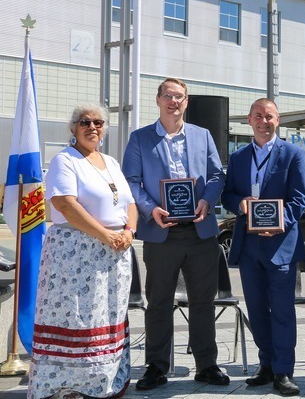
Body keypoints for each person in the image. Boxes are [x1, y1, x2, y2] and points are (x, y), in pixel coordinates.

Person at [122, 78, 228, 390]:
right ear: (158, 100)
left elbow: (216, 174)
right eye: (168, 95)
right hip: (161, 232)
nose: (174, 101)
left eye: (179, 96)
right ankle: (156, 367)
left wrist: (207, 200)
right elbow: (131, 181)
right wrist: (149, 208)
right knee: (158, 302)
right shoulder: (140, 138)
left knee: (203, 302)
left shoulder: (202, 135)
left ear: (186, 102)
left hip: (200, 232)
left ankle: (206, 365)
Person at [29, 104, 137, 399]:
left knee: (104, 317)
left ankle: (101, 381)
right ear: (73, 128)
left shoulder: (111, 161)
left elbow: (129, 203)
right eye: (84, 122)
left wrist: (128, 232)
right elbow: (64, 204)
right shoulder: (65, 160)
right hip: (76, 250)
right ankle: (68, 386)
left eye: (98, 122)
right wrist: (104, 234)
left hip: (113, 253)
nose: (92, 127)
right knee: (77, 317)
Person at [221, 98, 305, 396]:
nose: (263, 121)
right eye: (258, 116)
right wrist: (241, 204)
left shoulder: (293, 154)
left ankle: (284, 371)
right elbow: (228, 195)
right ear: (249, 120)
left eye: (269, 116)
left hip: (280, 243)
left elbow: (299, 200)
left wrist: (279, 222)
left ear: (277, 120)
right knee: (256, 309)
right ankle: (266, 364)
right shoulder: (238, 157)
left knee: (282, 310)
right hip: (249, 245)